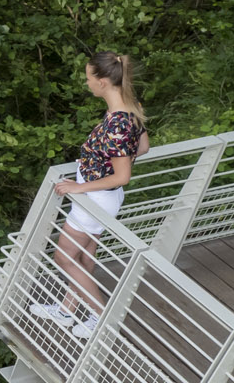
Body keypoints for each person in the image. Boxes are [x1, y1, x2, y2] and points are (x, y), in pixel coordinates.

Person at [30, 51, 150, 341]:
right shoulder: (127, 109)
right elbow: (143, 147)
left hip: (95, 199)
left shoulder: (118, 124)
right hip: (100, 194)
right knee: (84, 256)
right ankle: (68, 309)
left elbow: (123, 176)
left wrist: (78, 187)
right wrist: (93, 171)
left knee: (64, 257)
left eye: (88, 78)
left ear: (103, 81)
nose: (87, 83)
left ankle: (100, 316)